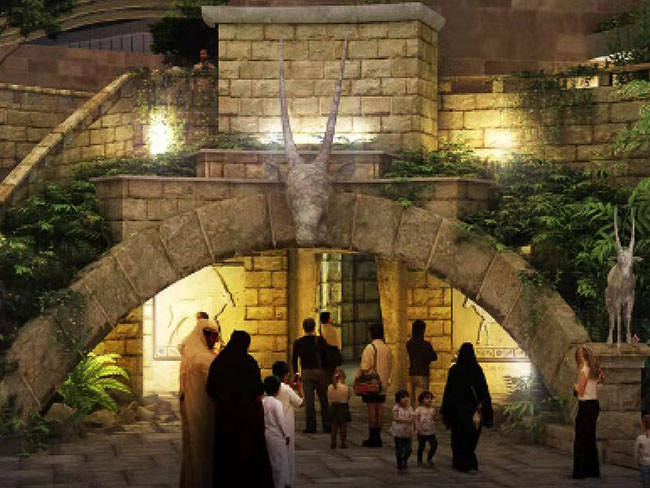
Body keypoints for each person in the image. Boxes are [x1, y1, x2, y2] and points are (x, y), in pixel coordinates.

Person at [206, 330, 274, 488]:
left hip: (225, 416)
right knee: (247, 453)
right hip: (247, 418)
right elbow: (258, 389)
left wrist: (222, 402)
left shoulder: (219, 361)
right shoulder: (249, 362)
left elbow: (210, 387)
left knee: (226, 454)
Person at [179, 313, 221, 488]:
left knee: (194, 448)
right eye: (213, 336)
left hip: (192, 409)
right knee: (204, 448)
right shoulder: (204, 358)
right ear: (204, 335)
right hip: (204, 410)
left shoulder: (191, 354)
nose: (215, 340)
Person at [441, 342, 493, 474]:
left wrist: (446, 410)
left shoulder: (455, 370)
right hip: (472, 409)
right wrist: (483, 404)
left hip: (458, 410)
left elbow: (449, 391)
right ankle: (469, 462)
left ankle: (459, 461)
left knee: (458, 437)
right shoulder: (476, 369)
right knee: (471, 437)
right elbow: (483, 389)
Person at [292, 318, 330, 433]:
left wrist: (296, 373)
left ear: (304, 328)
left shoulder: (299, 342)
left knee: (309, 401)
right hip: (319, 371)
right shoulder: (321, 340)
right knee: (323, 399)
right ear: (314, 327)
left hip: (306, 372)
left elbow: (294, 359)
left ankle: (311, 426)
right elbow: (326, 357)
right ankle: (326, 425)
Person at [572, 344, 604, 479]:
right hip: (594, 404)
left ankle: (580, 471)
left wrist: (574, 386)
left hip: (585, 405)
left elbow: (580, 390)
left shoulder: (584, 370)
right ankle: (593, 470)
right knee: (591, 437)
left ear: (580, 357)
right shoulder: (595, 369)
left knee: (580, 438)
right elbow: (603, 379)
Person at [359, 322, 393, 447]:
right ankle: (378, 436)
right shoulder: (387, 348)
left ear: (371, 333)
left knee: (372, 409)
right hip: (383, 382)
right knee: (380, 408)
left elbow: (365, 367)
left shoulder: (370, 348)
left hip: (372, 383)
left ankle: (372, 436)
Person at [272, 361, 303, 486]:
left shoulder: (270, 386)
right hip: (286, 425)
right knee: (288, 455)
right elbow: (301, 403)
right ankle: (286, 481)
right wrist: (300, 388)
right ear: (285, 375)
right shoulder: (286, 389)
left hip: (272, 427)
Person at [263, 376, 291, 488]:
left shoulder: (263, 402)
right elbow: (281, 420)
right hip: (277, 436)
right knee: (280, 463)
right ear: (277, 389)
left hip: (266, 434)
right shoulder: (276, 403)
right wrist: (286, 435)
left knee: (271, 462)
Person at [406, 319, 438, 407]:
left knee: (413, 400)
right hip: (424, 373)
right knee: (424, 400)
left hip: (412, 373)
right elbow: (434, 357)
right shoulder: (427, 345)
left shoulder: (409, 344)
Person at [391, 389, 415, 473]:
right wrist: (406, 420)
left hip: (408, 432)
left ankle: (405, 459)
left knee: (409, 449)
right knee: (399, 449)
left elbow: (413, 417)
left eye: (407, 397)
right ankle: (399, 463)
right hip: (399, 432)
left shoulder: (410, 408)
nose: (405, 399)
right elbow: (395, 418)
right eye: (403, 397)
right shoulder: (396, 408)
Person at [327, 368, 351, 449]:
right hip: (343, 408)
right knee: (343, 427)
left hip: (333, 408)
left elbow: (329, 399)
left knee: (333, 427)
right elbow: (348, 398)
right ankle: (343, 442)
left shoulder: (330, 387)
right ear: (344, 377)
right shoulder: (346, 388)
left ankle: (333, 442)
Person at [415, 391, 438, 467]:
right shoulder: (419, 409)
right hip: (422, 431)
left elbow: (434, 419)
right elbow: (416, 420)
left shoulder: (433, 409)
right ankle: (419, 459)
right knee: (421, 446)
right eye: (427, 398)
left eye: (431, 398)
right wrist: (418, 428)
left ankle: (429, 458)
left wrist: (437, 419)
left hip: (431, 431)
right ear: (422, 399)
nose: (429, 399)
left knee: (434, 445)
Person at [320, 311, 343, 383]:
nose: (331, 319)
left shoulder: (321, 328)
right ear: (328, 319)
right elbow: (337, 342)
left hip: (323, 354)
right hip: (332, 353)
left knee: (325, 373)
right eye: (330, 317)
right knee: (331, 373)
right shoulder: (332, 329)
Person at [636, 415, 650, 488]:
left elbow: (636, 452)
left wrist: (638, 461)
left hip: (644, 462)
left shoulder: (640, 438)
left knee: (645, 482)